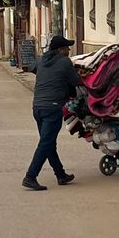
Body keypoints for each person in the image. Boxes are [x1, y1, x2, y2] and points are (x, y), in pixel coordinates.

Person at [22, 34, 81, 191]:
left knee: (48, 142)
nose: (69, 50)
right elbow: (77, 81)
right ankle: (30, 176)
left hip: (38, 107)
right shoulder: (64, 62)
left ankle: (60, 174)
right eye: (67, 48)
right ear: (60, 50)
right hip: (52, 108)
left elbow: (31, 67)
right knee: (46, 143)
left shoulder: (42, 60)